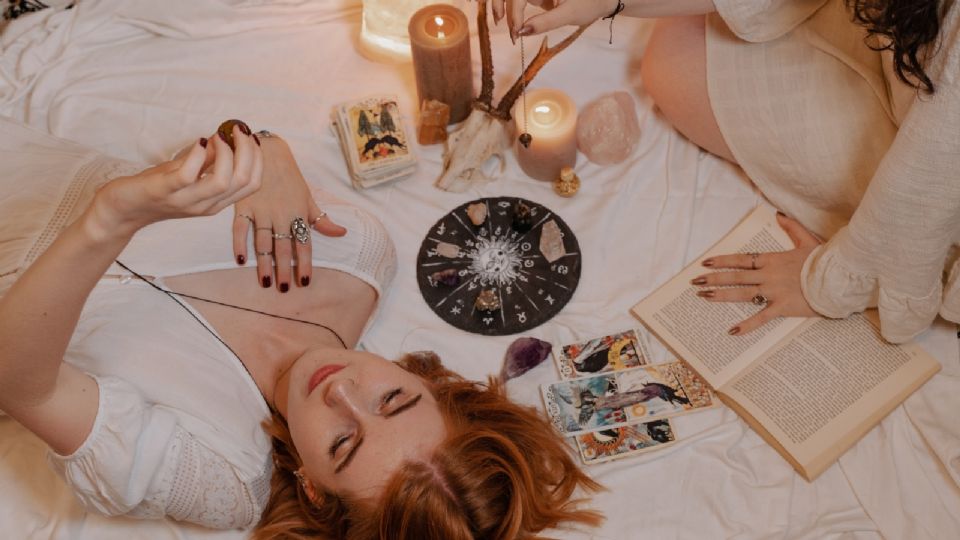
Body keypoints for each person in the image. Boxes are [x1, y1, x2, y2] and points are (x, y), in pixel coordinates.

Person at [0, 117, 601, 538]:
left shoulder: (223, 476)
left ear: (312, 488)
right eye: (393, 400)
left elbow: (24, 386)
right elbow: (201, 170)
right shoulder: (357, 251)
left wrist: (111, 218)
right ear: (432, 384)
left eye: (343, 444)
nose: (340, 393)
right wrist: (261, 146)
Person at [501, 0, 960, 344]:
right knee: (679, 47)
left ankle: (922, 260)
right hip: (911, 64)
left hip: (939, 160)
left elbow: (933, 164)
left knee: (678, 66)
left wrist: (833, 283)